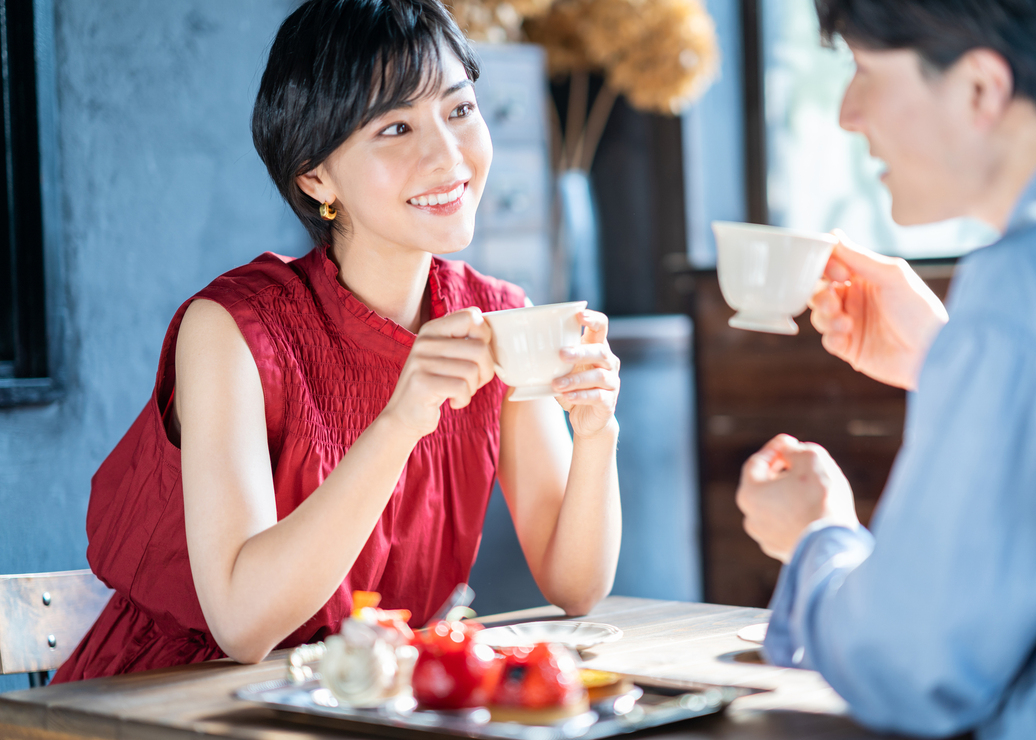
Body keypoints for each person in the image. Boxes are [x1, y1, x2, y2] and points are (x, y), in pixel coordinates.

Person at [53, 0, 621, 682]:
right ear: (316, 175)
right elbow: (242, 623)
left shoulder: (497, 319)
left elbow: (576, 586)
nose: (447, 153)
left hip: (359, 695)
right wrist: (400, 422)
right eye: (396, 127)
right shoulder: (233, 328)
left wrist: (595, 433)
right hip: (173, 698)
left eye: (460, 109)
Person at [735, 0, 1036, 737]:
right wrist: (949, 358)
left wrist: (815, 539)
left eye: (865, 70)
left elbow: (913, 667)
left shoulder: (1035, 280)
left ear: (980, 88)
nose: (847, 113)